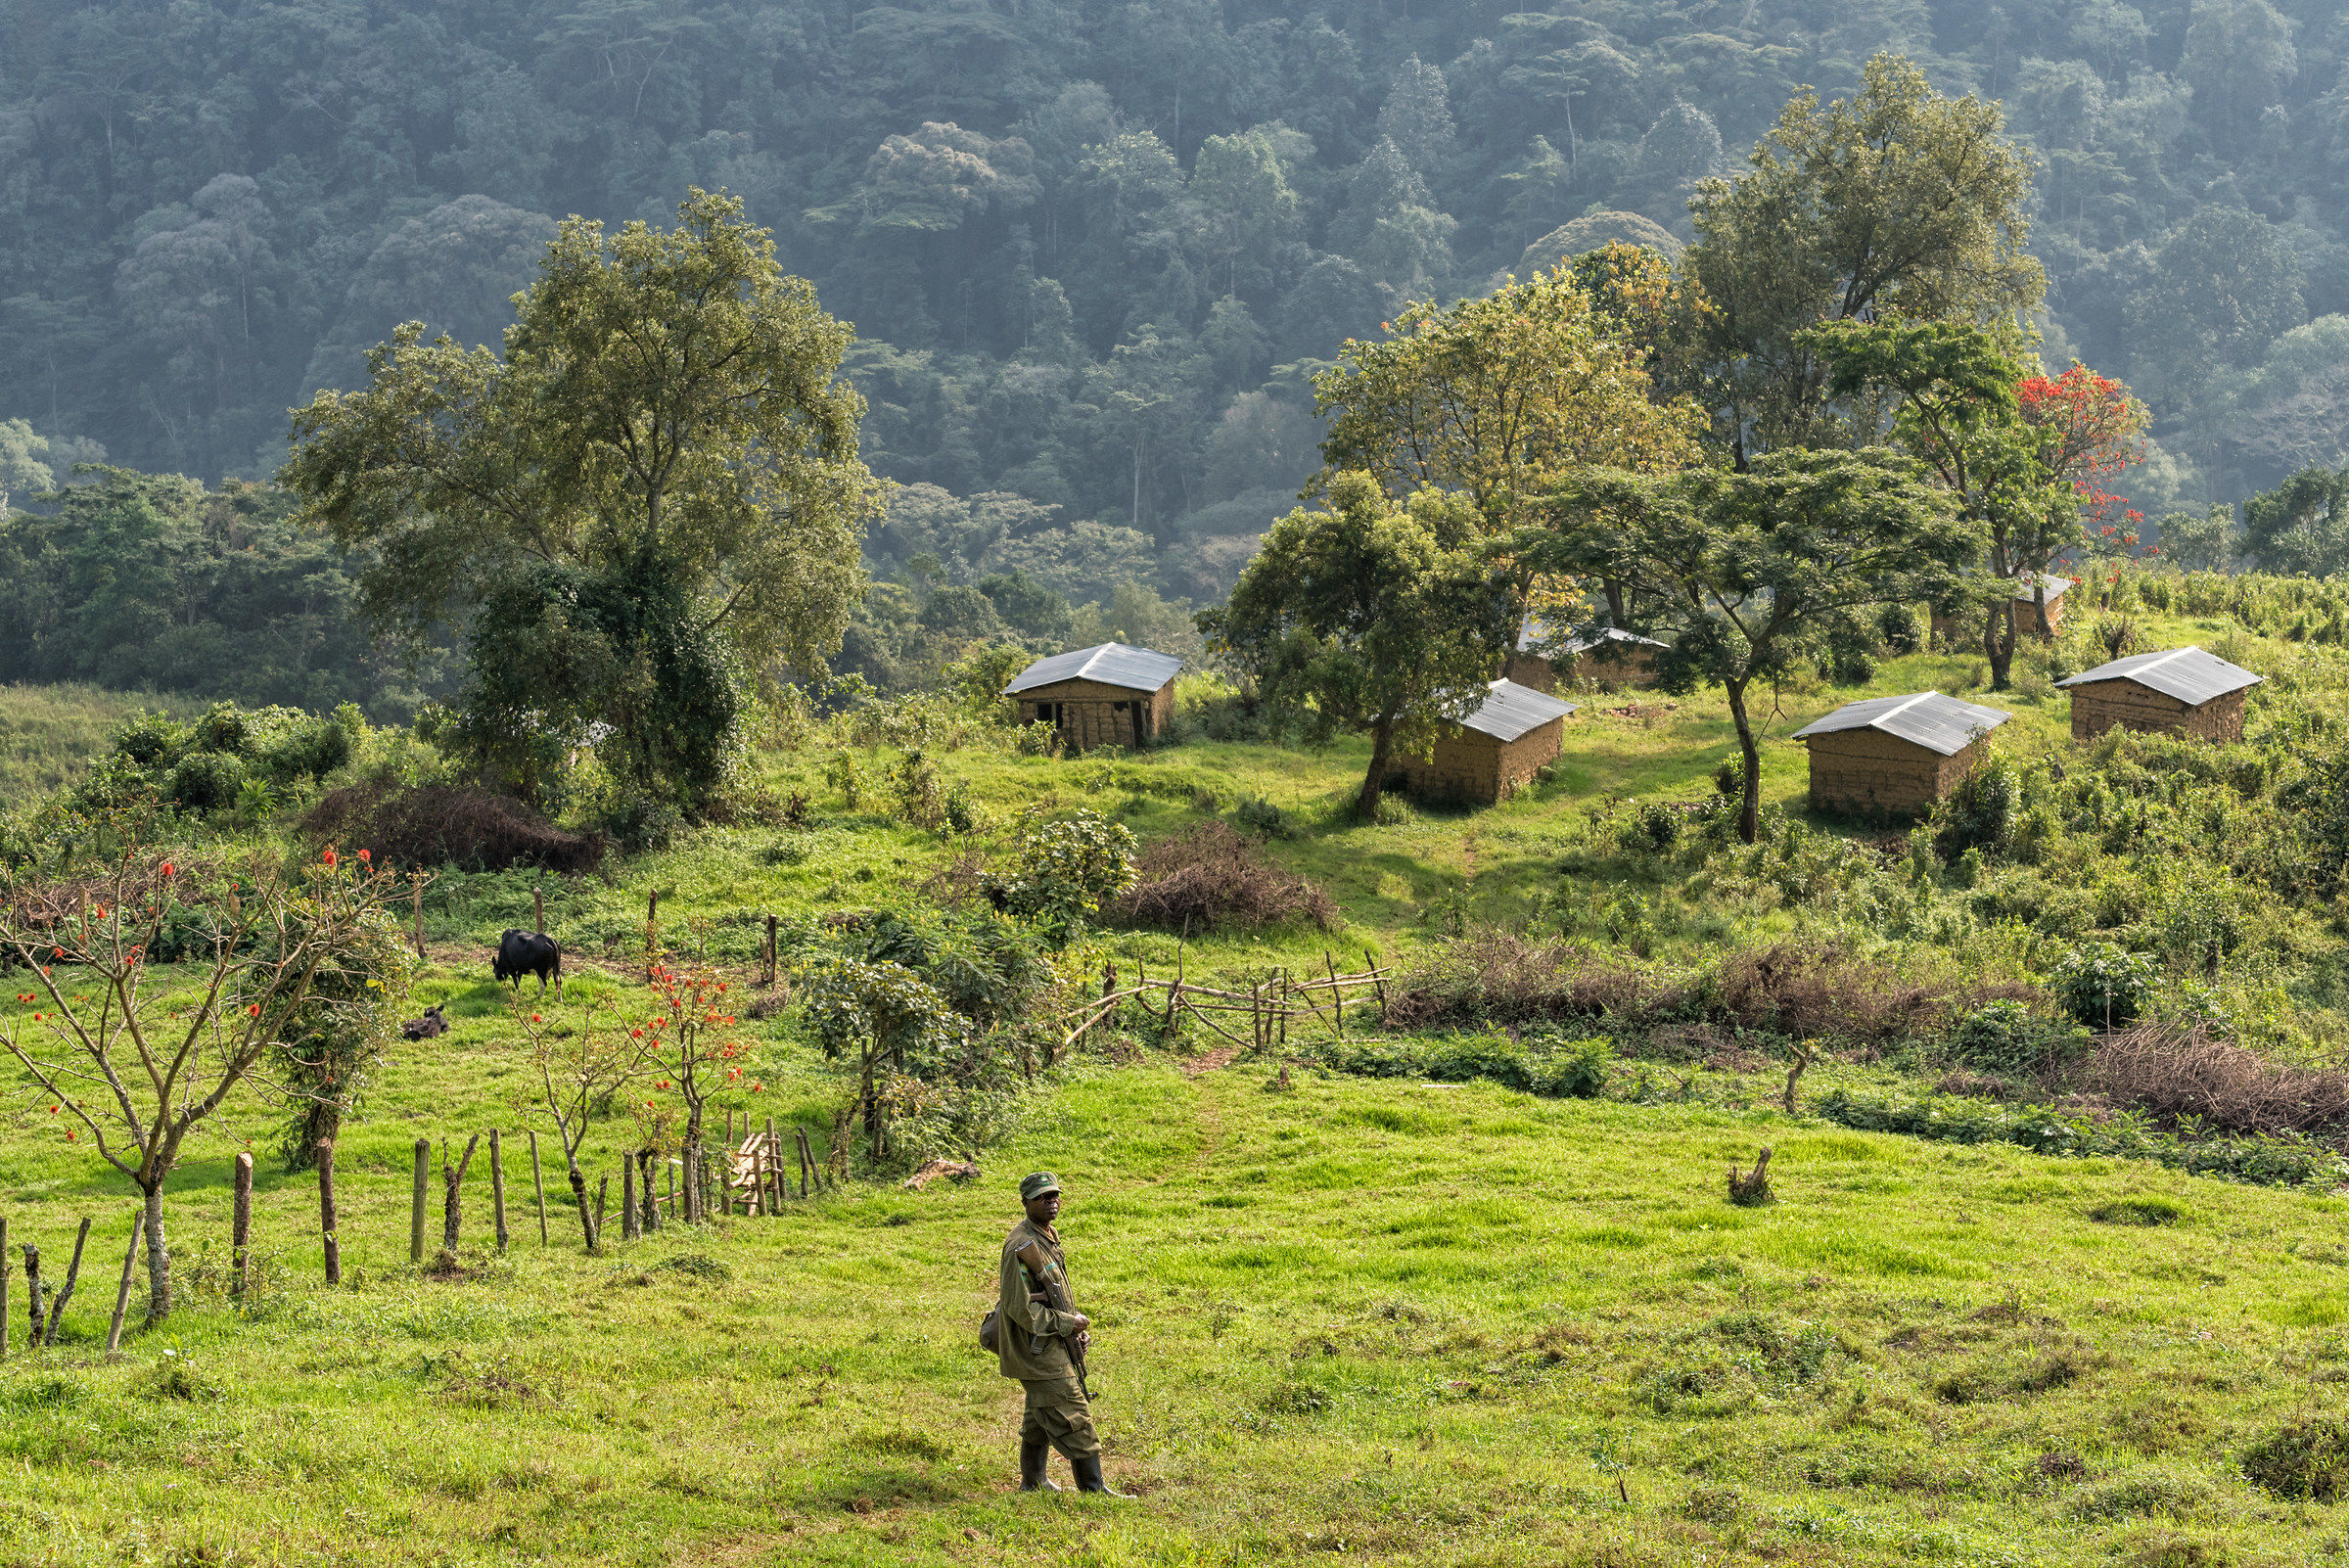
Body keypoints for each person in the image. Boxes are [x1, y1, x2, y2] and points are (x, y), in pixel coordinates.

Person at [998, 1171, 1129, 1497]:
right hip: (1036, 1346)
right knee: (1073, 1413)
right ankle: (1094, 1490)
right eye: (1043, 1198)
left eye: (1055, 1196)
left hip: (1049, 1340)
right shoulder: (1020, 1244)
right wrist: (1066, 1324)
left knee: (1039, 1414)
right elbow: (1020, 1308)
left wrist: (1073, 1329)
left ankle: (1033, 1482)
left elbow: (1053, 1293)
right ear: (1026, 1201)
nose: (1052, 1202)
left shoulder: (1046, 1234)